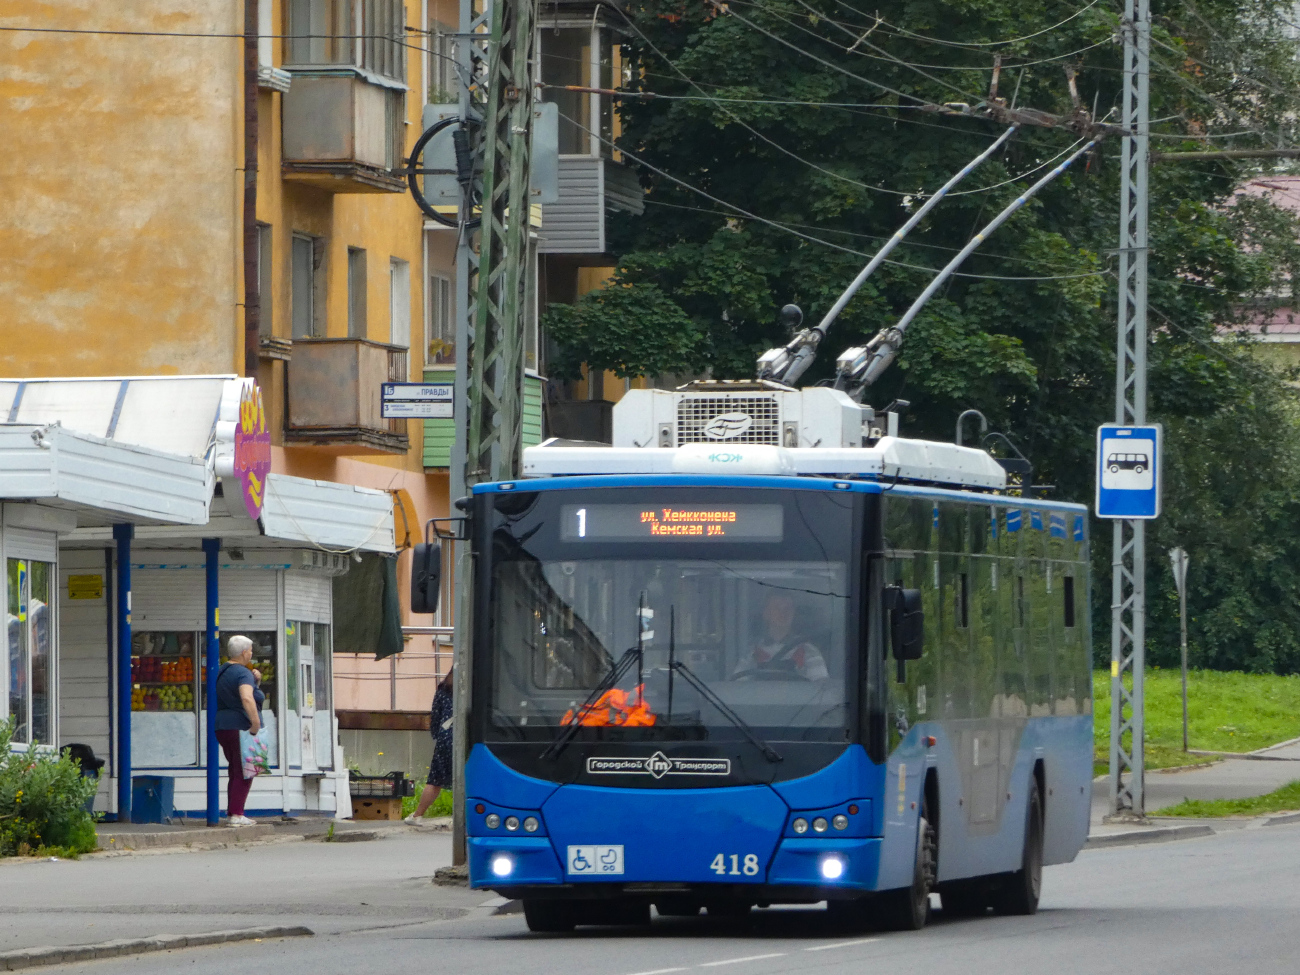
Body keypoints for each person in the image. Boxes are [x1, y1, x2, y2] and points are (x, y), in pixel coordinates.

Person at [215, 635, 264, 827]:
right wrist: (255, 723)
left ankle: (233, 812)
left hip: (223, 726)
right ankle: (237, 814)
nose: (251, 654)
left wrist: (255, 682)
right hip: (241, 726)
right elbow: (246, 697)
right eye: (250, 650)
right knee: (246, 771)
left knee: (235, 769)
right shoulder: (243, 673)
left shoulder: (223, 671)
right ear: (244, 653)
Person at [733, 590, 829, 681]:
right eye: (777, 608)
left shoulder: (809, 651)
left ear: (794, 614)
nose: (783, 613)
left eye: (788, 608)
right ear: (766, 613)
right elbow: (739, 688)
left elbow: (821, 690)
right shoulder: (751, 653)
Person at [406, 667, 453, 825]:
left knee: (435, 780)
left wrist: (437, 736)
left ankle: (417, 815)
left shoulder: (443, 691)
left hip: (445, 737)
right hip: (465, 738)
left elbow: (435, 717)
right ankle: (465, 817)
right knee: (468, 780)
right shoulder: (472, 692)